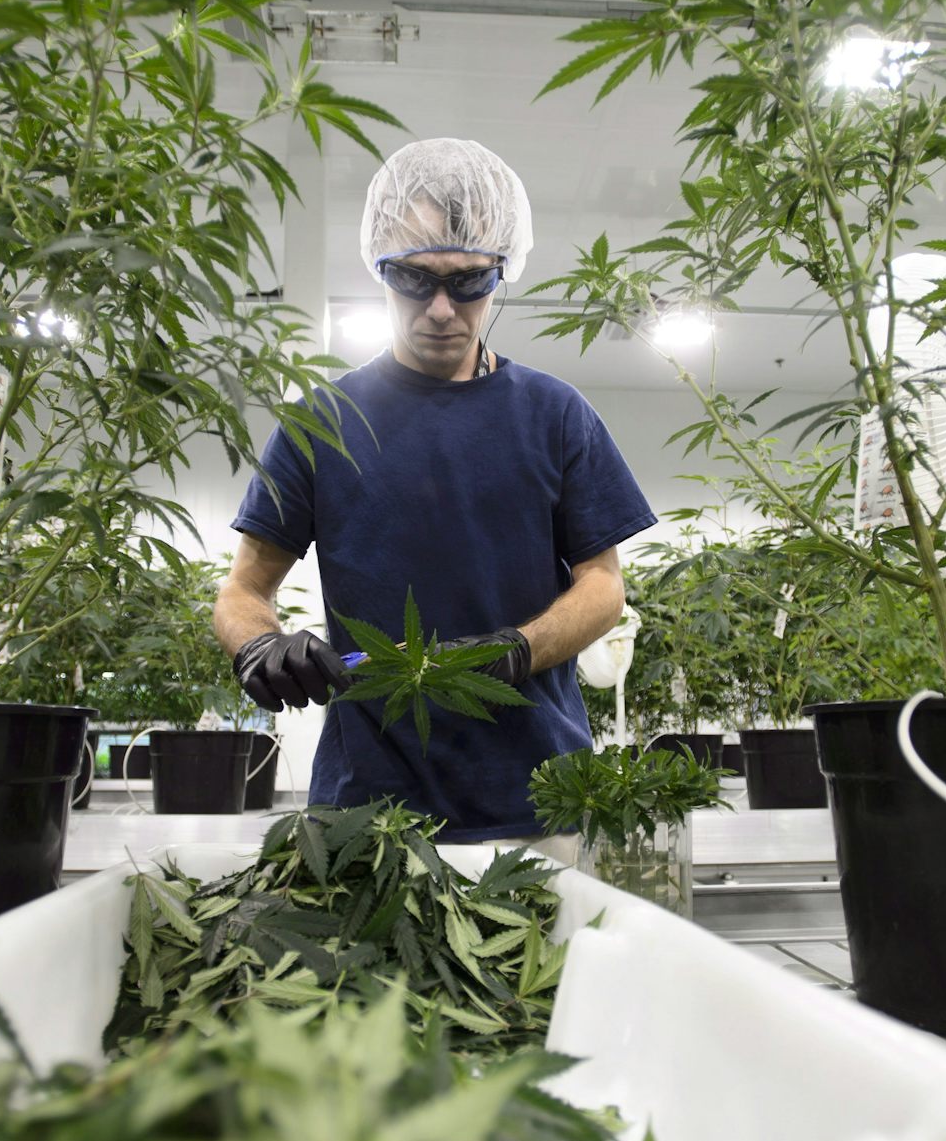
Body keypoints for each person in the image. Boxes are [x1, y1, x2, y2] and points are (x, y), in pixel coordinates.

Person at [213, 137, 656, 842]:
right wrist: (259, 646)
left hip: (539, 798)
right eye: (414, 280)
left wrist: (515, 650)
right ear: (379, 269)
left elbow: (603, 588)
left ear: (501, 271)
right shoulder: (322, 422)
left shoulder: (555, 414)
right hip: (367, 811)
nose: (442, 309)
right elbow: (243, 590)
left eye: (469, 282)